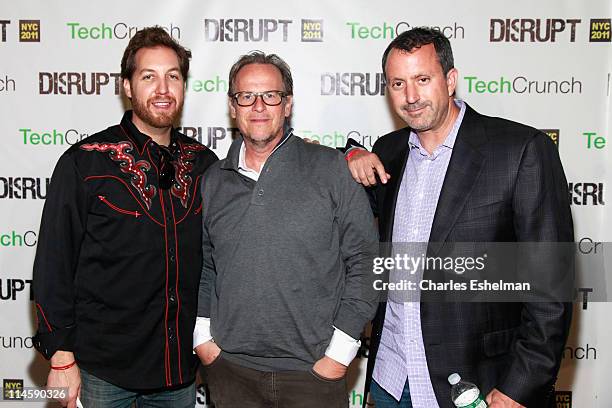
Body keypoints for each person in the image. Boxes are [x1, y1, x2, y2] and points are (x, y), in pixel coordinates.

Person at [344, 27, 573, 408]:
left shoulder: (520, 151)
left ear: (450, 80)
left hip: (475, 388)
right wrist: (349, 153)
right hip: (391, 381)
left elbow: (551, 288)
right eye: (398, 83)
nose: (411, 96)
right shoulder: (389, 151)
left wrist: (518, 388)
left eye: (422, 79)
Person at [32, 27, 218, 408]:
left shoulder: (204, 165)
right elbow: (53, 266)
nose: (163, 89)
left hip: (178, 372)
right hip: (104, 372)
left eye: (173, 76)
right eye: (149, 77)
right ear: (128, 87)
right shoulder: (85, 162)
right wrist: (61, 356)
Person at [193, 51, 379, 408]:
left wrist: (338, 355)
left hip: (313, 375)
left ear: (288, 103)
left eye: (271, 96)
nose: (259, 106)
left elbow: (365, 263)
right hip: (230, 371)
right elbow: (207, 267)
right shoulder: (215, 180)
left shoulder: (332, 169)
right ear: (233, 106)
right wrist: (204, 340)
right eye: (246, 96)